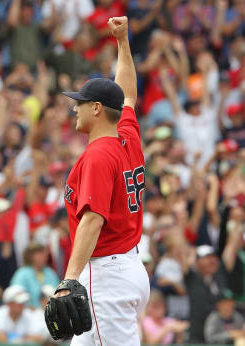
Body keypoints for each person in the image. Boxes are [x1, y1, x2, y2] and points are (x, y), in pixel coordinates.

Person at [48, 16, 150, 345]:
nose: (74, 109)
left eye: (79, 103)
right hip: (128, 266)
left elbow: (92, 220)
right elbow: (128, 94)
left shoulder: (97, 155)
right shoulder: (127, 135)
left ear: (96, 109)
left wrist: (69, 279)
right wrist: (123, 41)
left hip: (106, 274)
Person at [10, 242, 60, 308]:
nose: (44, 257)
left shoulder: (50, 272)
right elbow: (16, 296)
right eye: (40, 254)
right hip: (28, 314)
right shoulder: (22, 273)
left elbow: (59, 293)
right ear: (30, 256)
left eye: (45, 254)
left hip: (51, 312)